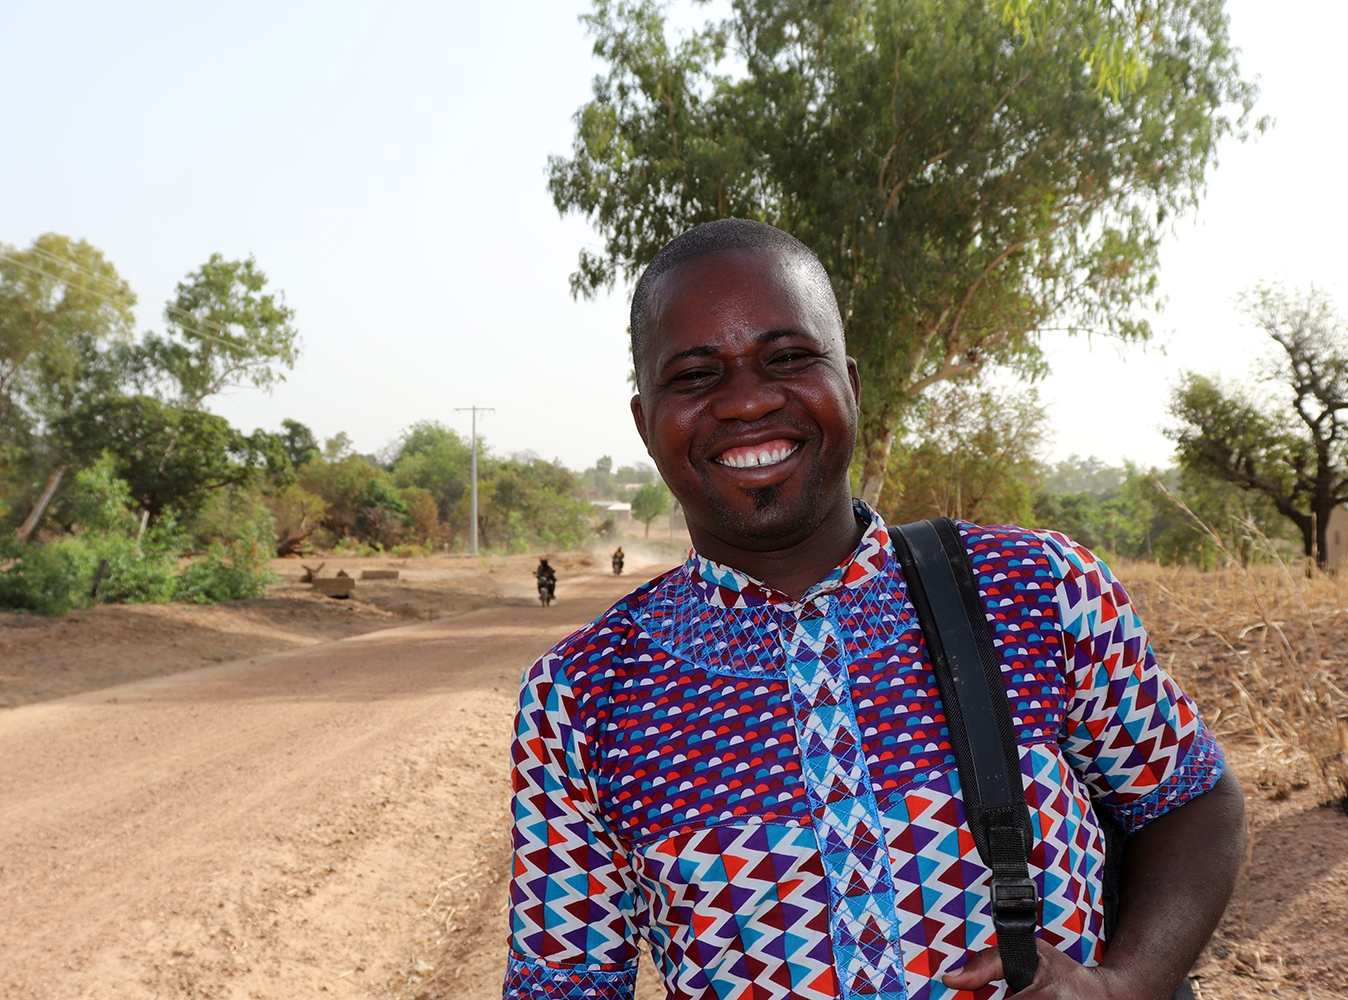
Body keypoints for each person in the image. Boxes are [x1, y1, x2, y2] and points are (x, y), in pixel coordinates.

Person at [504, 220, 1244, 1000]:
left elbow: (1190, 798)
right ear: (644, 422)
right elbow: (566, 983)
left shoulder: (1039, 590)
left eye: (789, 358)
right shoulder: (581, 698)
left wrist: (1128, 985)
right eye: (695, 375)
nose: (749, 400)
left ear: (850, 385)